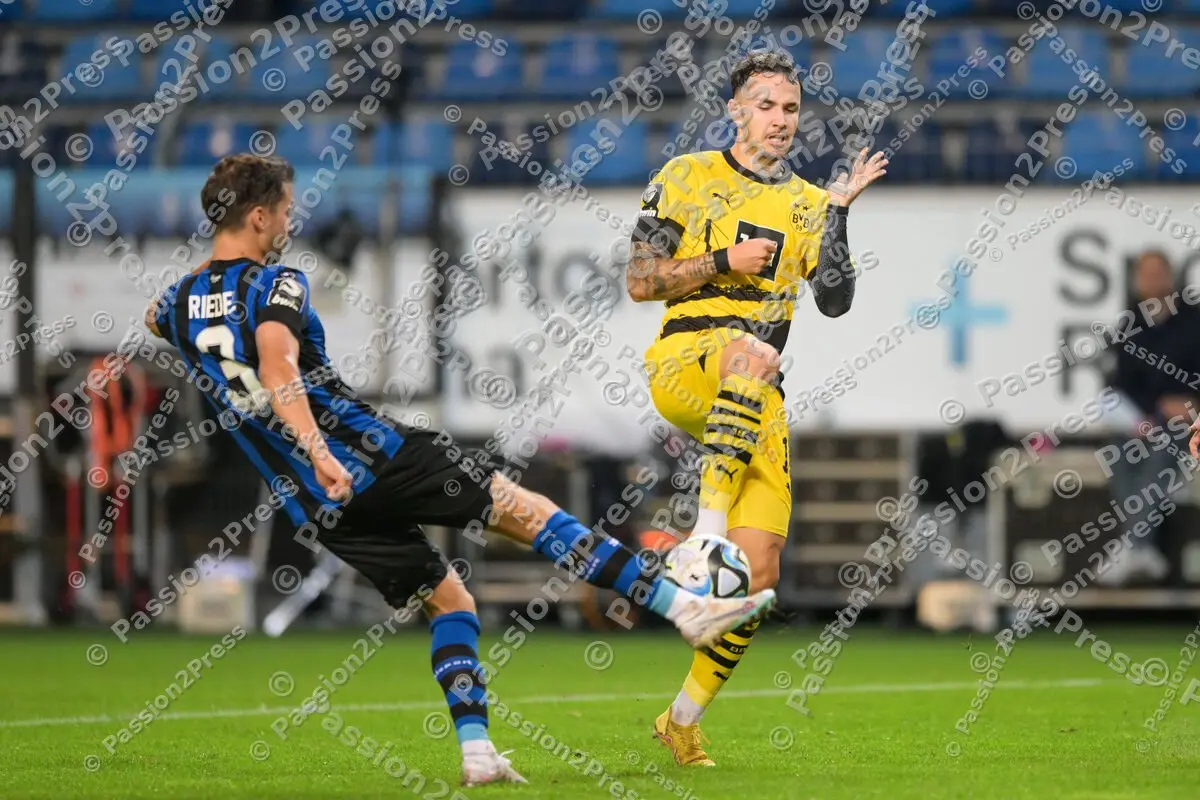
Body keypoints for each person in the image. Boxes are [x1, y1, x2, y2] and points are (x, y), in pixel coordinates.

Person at [143, 154, 777, 787]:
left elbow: (156, 317)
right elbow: (278, 365)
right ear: (258, 216)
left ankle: (476, 754)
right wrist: (318, 446)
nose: (290, 218)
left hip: (318, 505)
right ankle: (682, 608)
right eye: (283, 208)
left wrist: (210, 296)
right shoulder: (277, 285)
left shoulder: (178, 303)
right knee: (529, 512)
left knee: (450, 601)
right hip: (369, 454)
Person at [626, 50, 886, 766]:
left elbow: (833, 300)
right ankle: (703, 537)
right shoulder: (687, 176)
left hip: (757, 394)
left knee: (761, 577)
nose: (780, 119)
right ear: (736, 110)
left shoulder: (804, 200)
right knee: (750, 349)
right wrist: (719, 263)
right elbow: (641, 280)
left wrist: (836, 215)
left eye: (791, 108)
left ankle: (680, 720)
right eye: (766, 105)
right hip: (687, 365)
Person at [1104, 249, 1200, 586]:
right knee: (1117, 453)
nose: (1152, 281)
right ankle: (1141, 549)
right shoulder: (1130, 326)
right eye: (1146, 274)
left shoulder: (1194, 322)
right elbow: (1120, 386)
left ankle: (1134, 545)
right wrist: (1144, 417)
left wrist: (1192, 403)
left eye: (1158, 273)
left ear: (1171, 276)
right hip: (1144, 421)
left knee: (1165, 447)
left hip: (1186, 423)